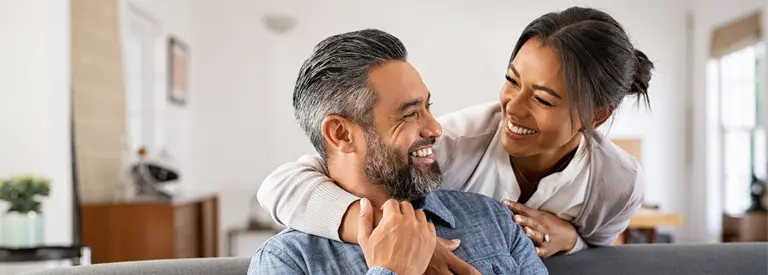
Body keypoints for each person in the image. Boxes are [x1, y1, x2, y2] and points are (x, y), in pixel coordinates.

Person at [257, 6, 652, 263]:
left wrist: (570, 238)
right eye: (511, 81)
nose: (512, 108)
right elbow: (289, 182)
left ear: (595, 117)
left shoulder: (617, 183)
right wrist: (380, 229)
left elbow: (599, 253)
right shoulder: (453, 143)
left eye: (544, 99)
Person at [248, 29, 547, 275]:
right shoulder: (288, 261)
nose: (434, 129)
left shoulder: (492, 217)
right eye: (408, 114)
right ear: (341, 134)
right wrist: (392, 271)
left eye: (427, 107)